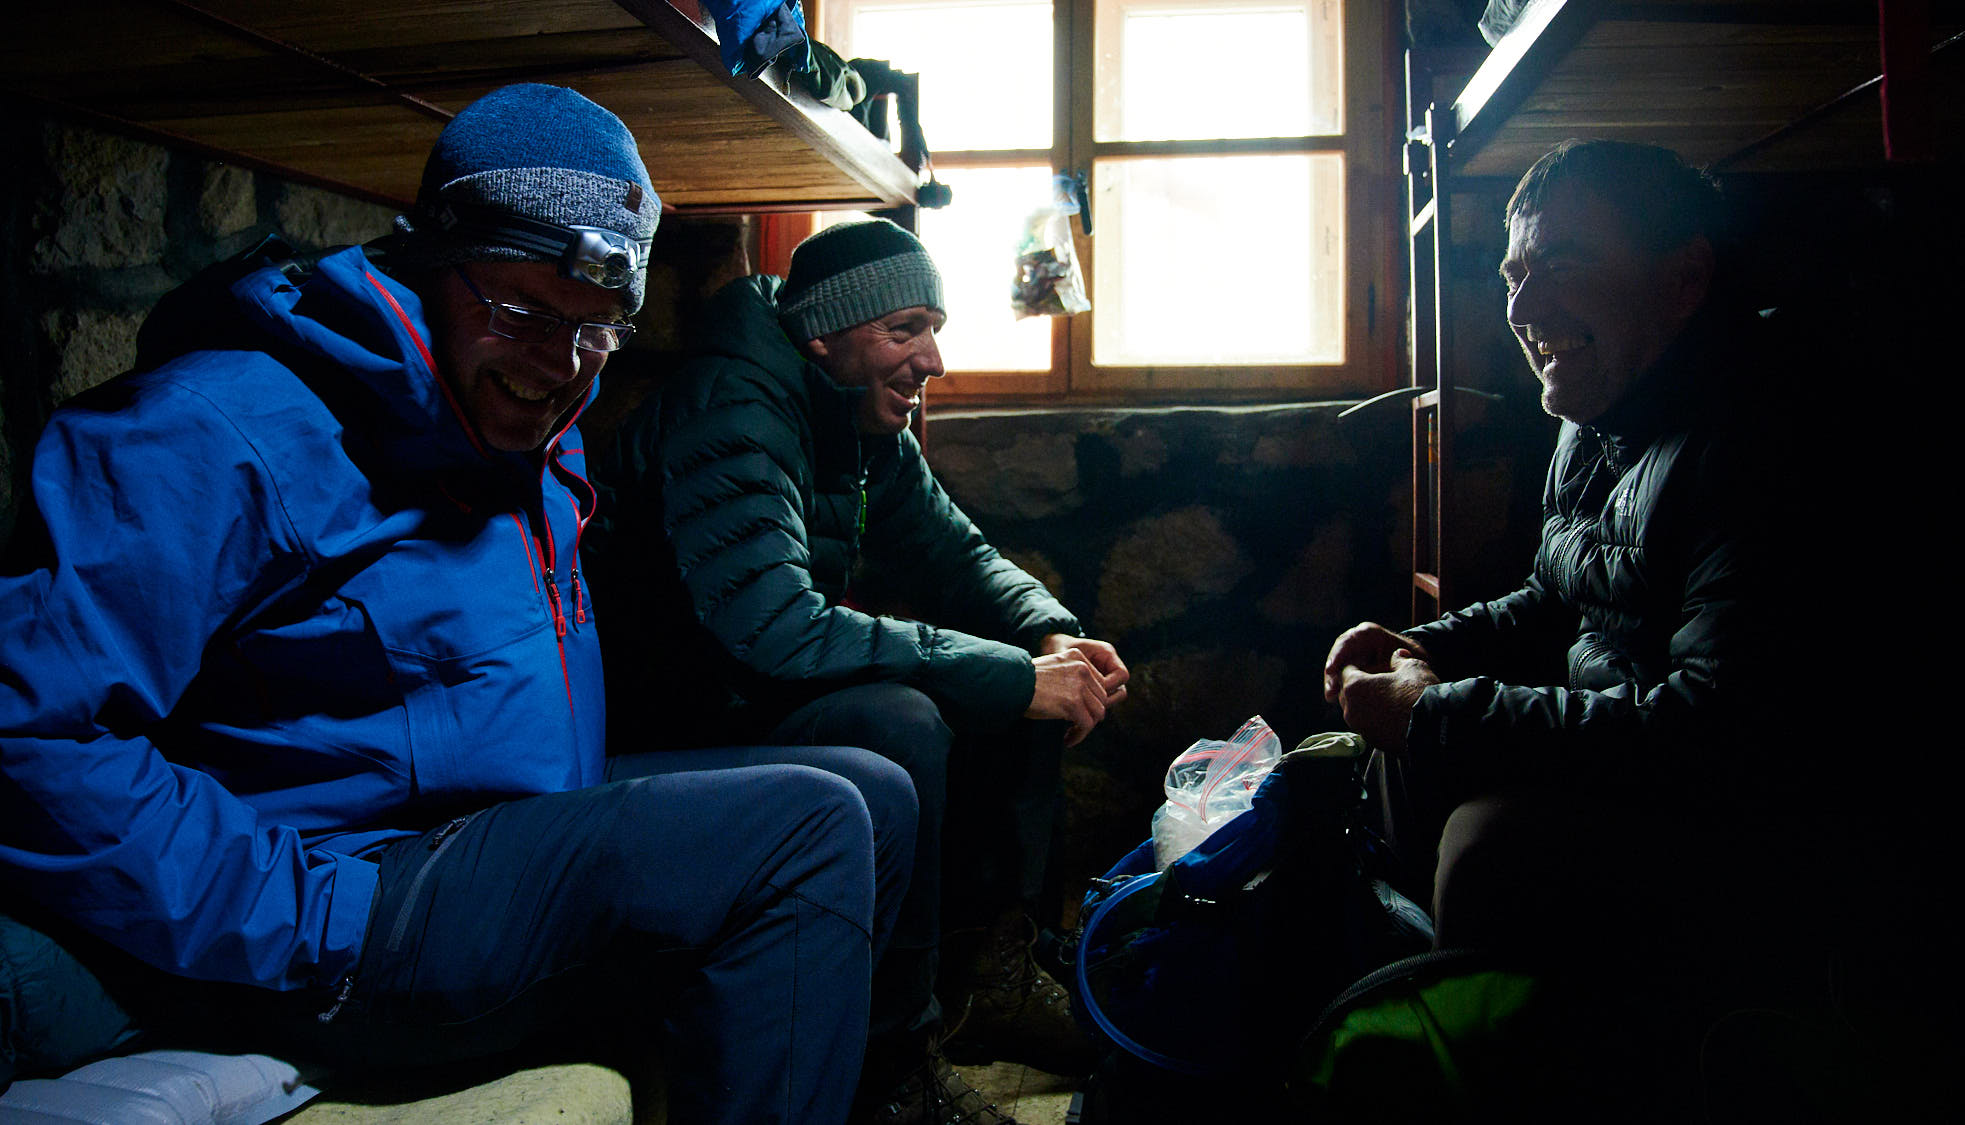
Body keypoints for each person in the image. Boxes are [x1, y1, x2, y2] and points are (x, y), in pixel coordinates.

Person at [0, 84, 915, 1125]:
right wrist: (298, 918)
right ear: (433, 259)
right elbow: (30, 729)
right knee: (803, 827)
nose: (561, 366)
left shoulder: (512, 400)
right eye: (522, 311)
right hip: (351, 902)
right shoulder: (214, 432)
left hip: (486, 829)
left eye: (600, 328)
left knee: (870, 784)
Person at [590, 219, 1126, 1123]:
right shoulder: (735, 409)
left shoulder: (854, 414)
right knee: (903, 721)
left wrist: (1049, 633)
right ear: (825, 333)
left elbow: (958, 554)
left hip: (741, 688)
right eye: (906, 329)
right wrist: (1006, 670)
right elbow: (777, 627)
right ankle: (892, 1061)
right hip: (666, 715)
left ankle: (985, 970)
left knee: (1025, 675)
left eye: (935, 327)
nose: (934, 361)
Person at [1323, 139, 1821, 987]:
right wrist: (1427, 648)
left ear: (1683, 279)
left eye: (1563, 262)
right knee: (1392, 758)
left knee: (1490, 847)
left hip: (1758, 812)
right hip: (1626, 751)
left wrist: (1439, 710)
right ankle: (1415, 1008)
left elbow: (1712, 735)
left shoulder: (1766, 436)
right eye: (1516, 272)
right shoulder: (1596, 416)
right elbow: (1556, 601)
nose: (1524, 306)